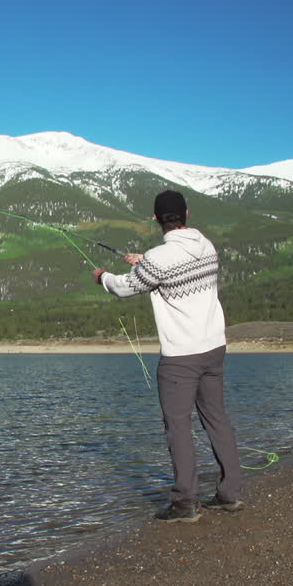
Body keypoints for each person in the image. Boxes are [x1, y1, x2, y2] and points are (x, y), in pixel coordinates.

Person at [92, 190, 244, 523]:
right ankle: (230, 493)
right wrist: (145, 260)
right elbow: (171, 263)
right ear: (187, 213)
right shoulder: (206, 245)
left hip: (181, 357)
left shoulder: (160, 259)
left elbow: (123, 287)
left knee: (178, 426)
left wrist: (103, 277)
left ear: (156, 219)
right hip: (214, 348)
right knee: (217, 419)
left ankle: (185, 502)